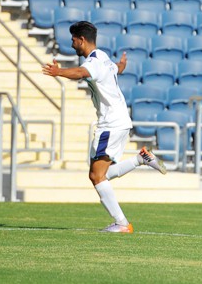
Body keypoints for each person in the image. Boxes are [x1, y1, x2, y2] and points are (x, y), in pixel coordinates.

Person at [43, 21, 166, 233]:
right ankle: (140, 159)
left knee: (96, 176)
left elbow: (81, 72)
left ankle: (122, 223)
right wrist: (122, 65)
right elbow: (116, 69)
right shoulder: (103, 57)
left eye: (73, 40)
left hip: (111, 124)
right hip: (119, 121)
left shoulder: (93, 62)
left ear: (82, 40)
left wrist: (59, 72)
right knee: (101, 174)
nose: (72, 44)